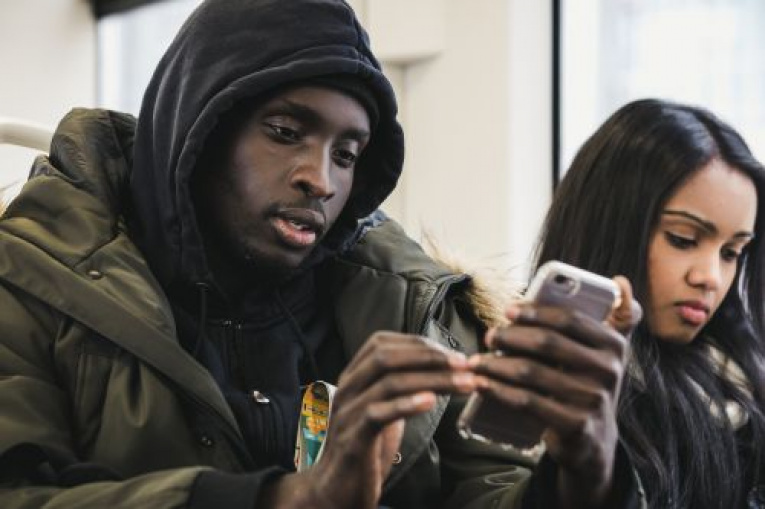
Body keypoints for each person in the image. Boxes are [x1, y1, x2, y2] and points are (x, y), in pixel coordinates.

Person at [0, 1, 640, 508]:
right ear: (197, 128)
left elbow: (488, 491)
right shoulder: (29, 280)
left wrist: (586, 472)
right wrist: (290, 499)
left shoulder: (416, 309)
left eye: (347, 154)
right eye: (285, 133)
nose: (321, 180)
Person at [509, 98, 765, 508]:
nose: (711, 277)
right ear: (609, 226)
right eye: (683, 239)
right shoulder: (524, 379)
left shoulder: (746, 384)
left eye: (731, 252)